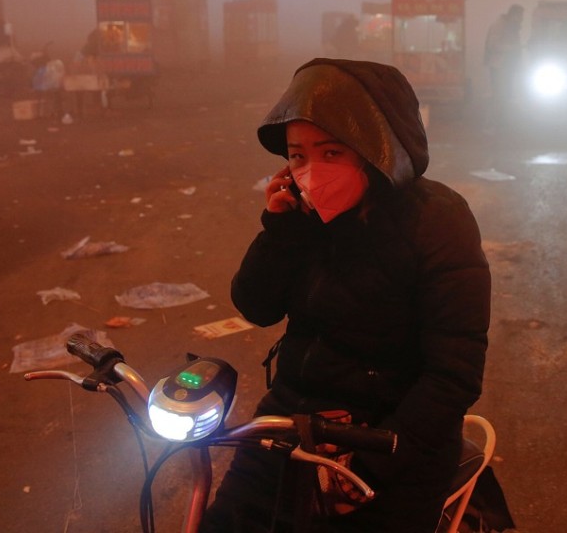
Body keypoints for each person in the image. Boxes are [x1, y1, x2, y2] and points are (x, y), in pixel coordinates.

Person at [200, 58, 492, 533]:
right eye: (298, 156)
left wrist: (369, 466)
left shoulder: (438, 221)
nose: (311, 171)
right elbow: (255, 306)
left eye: (331, 153)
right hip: (292, 421)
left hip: (394, 442)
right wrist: (279, 229)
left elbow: (453, 374)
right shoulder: (304, 217)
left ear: (377, 151)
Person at [483, 4, 523, 128]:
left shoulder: (511, 26)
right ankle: (492, 125)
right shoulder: (499, 25)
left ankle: (502, 123)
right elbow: (492, 45)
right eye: (520, 16)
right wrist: (512, 48)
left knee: (506, 95)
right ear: (514, 15)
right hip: (499, 66)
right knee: (499, 96)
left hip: (507, 67)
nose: (521, 19)